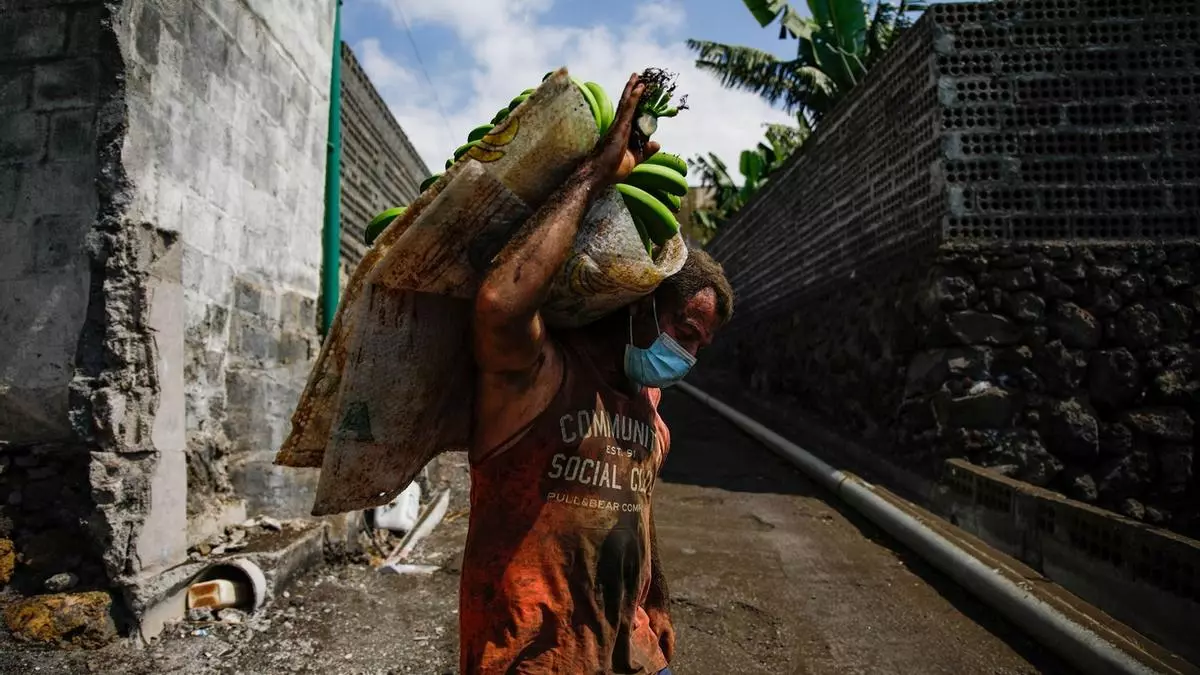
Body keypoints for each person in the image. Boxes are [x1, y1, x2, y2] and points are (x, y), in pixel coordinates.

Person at [460, 72, 735, 674]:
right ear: (640, 302)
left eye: (700, 346)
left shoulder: (648, 408)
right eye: (683, 333)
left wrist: (657, 624)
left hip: (632, 654)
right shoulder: (537, 375)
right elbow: (500, 307)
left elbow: (635, 520)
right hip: (536, 661)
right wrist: (593, 176)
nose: (687, 354)